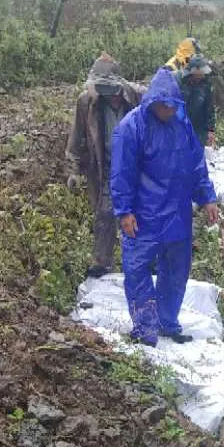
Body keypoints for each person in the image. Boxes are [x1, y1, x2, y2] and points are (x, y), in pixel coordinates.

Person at [109, 68, 222, 347]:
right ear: (152, 102)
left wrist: (207, 197)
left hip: (177, 214)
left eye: (173, 106)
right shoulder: (132, 128)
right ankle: (145, 327)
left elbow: (196, 165)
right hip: (144, 215)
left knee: (175, 271)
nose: (168, 110)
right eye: (164, 105)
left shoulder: (181, 126)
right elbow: (121, 173)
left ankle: (167, 321)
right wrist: (124, 211)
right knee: (137, 269)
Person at [65, 53, 144, 279]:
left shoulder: (139, 98)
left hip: (136, 165)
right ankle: (102, 263)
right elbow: (76, 139)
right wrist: (73, 171)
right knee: (105, 213)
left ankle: (142, 262)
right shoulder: (86, 103)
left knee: (140, 212)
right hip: (106, 165)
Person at [178, 55, 215, 147]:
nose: (203, 74)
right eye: (202, 71)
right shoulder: (181, 83)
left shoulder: (205, 85)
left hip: (199, 129)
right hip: (182, 128)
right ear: (195, 70)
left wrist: (210, 130)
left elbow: (209, 108)